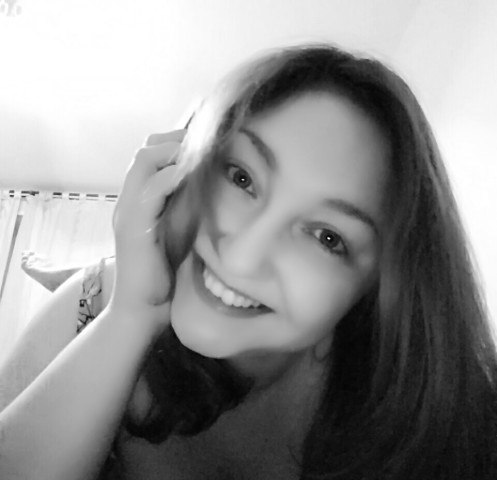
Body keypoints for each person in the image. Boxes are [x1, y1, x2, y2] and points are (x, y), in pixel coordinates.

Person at [0, 43, 496, 480]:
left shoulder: (438, 420)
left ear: (370, 290)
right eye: (241, 177)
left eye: (327, 237)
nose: (241, 257)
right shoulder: (92, 306)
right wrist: (130, 316)